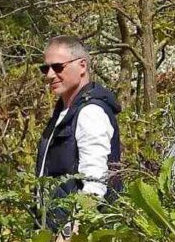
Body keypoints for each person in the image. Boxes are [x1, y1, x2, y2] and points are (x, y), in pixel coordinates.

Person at [35, 38, 121, 222]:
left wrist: (67, 238)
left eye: (58, 67)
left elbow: (95, 185)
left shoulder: (91, 113)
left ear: (82, 66)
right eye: (45, 68)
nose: (49, 75)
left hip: (74, 241)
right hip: (50, 230)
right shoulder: (63, 114)